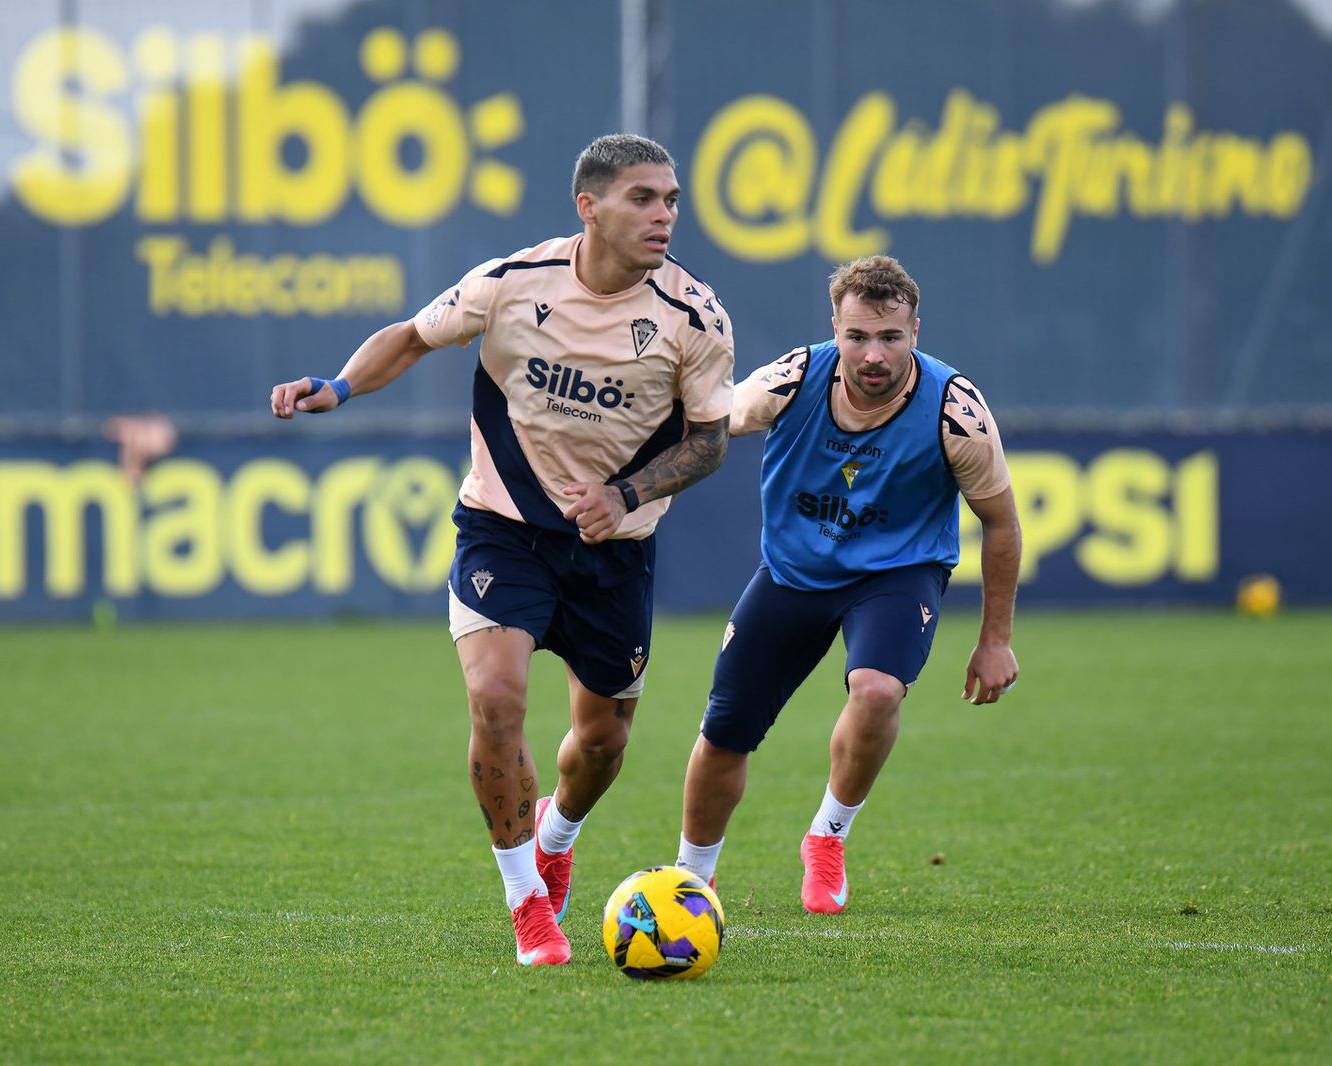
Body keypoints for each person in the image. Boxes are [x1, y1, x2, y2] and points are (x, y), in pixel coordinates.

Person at [270, 134, 735, 965]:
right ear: (589, 207)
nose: (663, 214)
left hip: (613, 549)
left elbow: (709, 441)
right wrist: (338, 386)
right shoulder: (513, 283)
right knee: (496, 700)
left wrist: (625, 496)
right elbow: (412, 336)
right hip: (503, 527)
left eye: (670, 199)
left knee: (603, 744)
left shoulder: (695, 317)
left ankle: (556, 838)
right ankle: (528, 904)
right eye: (642, 198)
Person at [672, 255, 1020, 914]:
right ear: (835, 329)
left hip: (898, 574)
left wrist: (995, 639)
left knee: (878, 689)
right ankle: (691, 877)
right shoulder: (794, 378)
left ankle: (827, 835)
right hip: (794, 574)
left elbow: (1001, 524)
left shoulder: (956, 411)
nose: (873, 355)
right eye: (857, 336)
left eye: (890, 337)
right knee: (724, 733)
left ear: (915, 332)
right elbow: (716, 419)